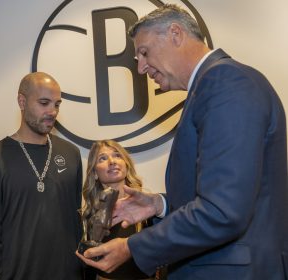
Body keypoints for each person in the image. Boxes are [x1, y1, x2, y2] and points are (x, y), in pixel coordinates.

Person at [76, 4, 288, 280]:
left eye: (144, 52)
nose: (140, 68)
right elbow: (225, 196)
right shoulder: (212, 85)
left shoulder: (226, 82)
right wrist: (159, 206)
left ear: (175, 34)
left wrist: (132, 246)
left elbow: (223, 212)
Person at [0, 72, 84, 279]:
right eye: (44, 103)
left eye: (57, 104)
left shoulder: (71, 154)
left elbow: (75, 222)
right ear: (21, 101)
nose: (52, 111)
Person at [81, 140, 154, 280]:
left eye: (117, 156)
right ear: (94, 173)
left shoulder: (149, 208)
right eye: (102, 158)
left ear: (126, 166)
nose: (112, 161)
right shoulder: (86, 217)